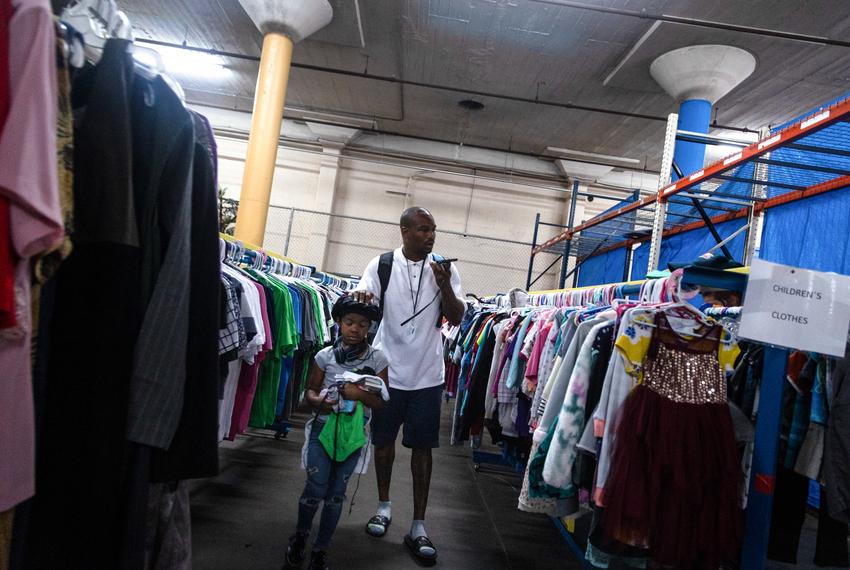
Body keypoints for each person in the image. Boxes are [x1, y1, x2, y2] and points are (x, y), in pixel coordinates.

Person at [351, 206, 465, 563]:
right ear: (404, 231)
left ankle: (418, 523)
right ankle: (383, 507)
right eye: (423, 229)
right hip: (386, 372)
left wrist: (444, 283)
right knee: (383, 443)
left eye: (433, 230)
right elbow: (362, 302)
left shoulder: (445, 267)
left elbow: (458, 316)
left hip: (428, 374)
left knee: (422, 449)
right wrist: (363, 299)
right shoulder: (381, 265)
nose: (430, 236)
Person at [283, 296, 389, 570]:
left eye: (363, 324)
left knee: (336, 494)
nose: (355, 329)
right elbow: (309, 391)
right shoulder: (324, 356)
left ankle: (321, 548)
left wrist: (359, 394)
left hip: (353, 436)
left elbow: (381, 402)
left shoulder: (378, 360)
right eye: (350, 322)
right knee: (314, 489)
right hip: (322, 429)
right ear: (339, 323)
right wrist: (318, 401)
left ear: (370, 328)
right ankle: (301, 536)